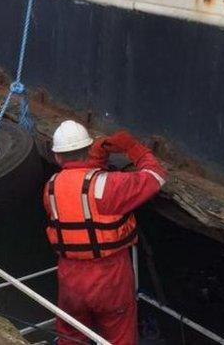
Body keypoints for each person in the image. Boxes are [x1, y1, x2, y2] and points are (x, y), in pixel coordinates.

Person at [42, 120, 168, 345]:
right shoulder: (111, 186)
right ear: (88, 150)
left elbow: (81, 192)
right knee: (118, 337)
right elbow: (155, 175)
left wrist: (97, 160)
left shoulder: (50, 188)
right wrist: (132, 147)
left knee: (71, 337)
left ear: (57, 157)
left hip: (70, 279)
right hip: (110, 278)